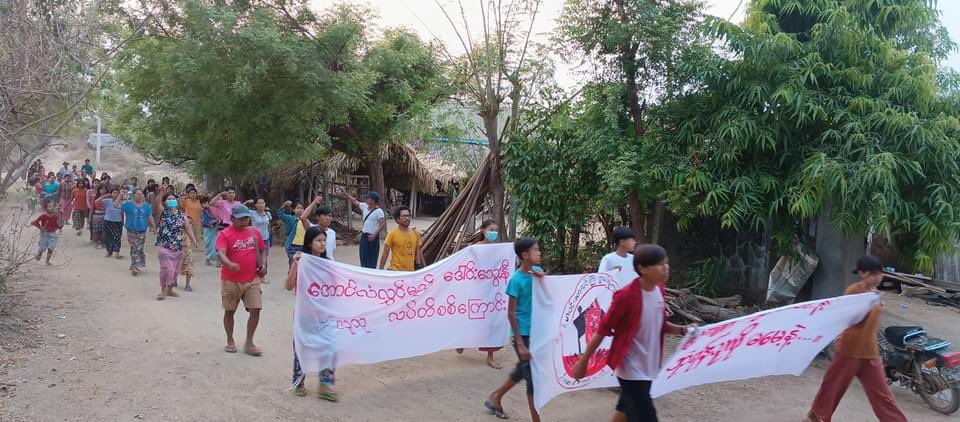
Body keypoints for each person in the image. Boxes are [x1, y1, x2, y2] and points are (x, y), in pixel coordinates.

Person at [573, 244, 692, 422]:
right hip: (631, 369)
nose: (665, 267)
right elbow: (602, 330)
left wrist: (682, 330)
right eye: (659, 264)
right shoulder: (626, 297)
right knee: (647, 416)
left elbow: (659, 323)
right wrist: (583, 362)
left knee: (625, 410)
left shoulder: (659, 289)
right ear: (642, 268)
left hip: (650, 365)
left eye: (666, 263)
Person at [806, 256, 907, 422]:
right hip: (849, 351)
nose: (877, 277)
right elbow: (849, 320)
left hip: (870, 353)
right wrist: (870, 304)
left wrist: (875, 302)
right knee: (832, 388)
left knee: (883, 396)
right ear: (862, 273)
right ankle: (816, 416)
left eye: (879, 274)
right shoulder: (853, 292)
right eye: (873, 274)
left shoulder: (875, 295)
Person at [485, 237, 546, 421]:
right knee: (531, 378)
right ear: (525, 255)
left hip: (537, 330)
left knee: (523, 368)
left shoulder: (536, 272)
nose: (539, 253)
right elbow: (511, 313)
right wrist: (519, 343)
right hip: (523, 333)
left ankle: (496, 397)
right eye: (536, 250)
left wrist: (543, 277)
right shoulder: (516, 280)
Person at [286, 226, 338, 402]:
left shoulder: (328, 264)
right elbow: (288, 285)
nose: (323, 244)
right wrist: (294, 264)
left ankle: (325, 386)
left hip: (324, 315)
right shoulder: (301, 261)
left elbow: (335, 288)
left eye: (324, 240)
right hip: (305, 315)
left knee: (329, 348)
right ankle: (299, 382)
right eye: (319, 240)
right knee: (302, 348)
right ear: (310, 242)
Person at [216, 204, 267, 356]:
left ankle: (249, 341)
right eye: (241, 219)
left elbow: (263, 250)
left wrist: (263, 264)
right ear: (232, 219)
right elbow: (221, 252)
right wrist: (229, 263)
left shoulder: (254, 232)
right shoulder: (224, 234)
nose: (244, 221)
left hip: (252, 278)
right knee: (230, 311)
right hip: (231, 279)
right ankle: (230, 340)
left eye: (246, 218)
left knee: (256, 309)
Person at [457, 219, 504, 368]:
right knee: (473, 318)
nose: (493, 233)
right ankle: (462, 340)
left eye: (495, 230)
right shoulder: (475, 248)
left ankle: (490, 356)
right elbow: (468, 267)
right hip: (477, 289)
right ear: (483, 231)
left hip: (493, 290)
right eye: (491, 229)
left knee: (491, 322)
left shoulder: (499, 249)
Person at [155, 194, 198, 299]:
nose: (171, 200)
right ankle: (163, 290)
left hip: (178, 246)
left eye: (173, 198)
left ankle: (170, 290)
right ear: (165, 202)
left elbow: (187, 228)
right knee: (167, 268)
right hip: (164, 245)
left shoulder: (182, 215)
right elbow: (157, 204)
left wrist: (194, 240)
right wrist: (162, 192)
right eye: (169, 199)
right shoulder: (163, 212)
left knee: (174, 270)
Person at [118, 189, 156, 276]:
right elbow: (116, 205)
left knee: (139, 248)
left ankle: (135, 264)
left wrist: (153, 227)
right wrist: (120, 195)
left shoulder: (146, 206)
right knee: (135, 248)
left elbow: (150, 217)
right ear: (133, 195)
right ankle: (134, 266)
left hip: (142, 231)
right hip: (131, 231)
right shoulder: (128, 205)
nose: (139, 196)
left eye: (141, 194)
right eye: (137, 194)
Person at [343, 191, 385, 268]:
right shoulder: (365, 206)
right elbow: (355, 201)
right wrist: (347, 195)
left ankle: (371, 271)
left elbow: (382, 225)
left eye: (368, 198)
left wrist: (374, 234)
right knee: (363, 254)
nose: (366, 199)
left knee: (372, 255)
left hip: (373, 236)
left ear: (373, 200)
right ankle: (364, 269)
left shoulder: (379, 212)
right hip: (364, 235)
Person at [379, 206, 423, 271]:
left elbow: (418, 252)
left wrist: (418, 265)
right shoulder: (392, 234)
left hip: (410, 272)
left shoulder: (416, 234)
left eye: (408, 216)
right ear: (397, 219)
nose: (407, 218)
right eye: (404, 216)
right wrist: (380, 270)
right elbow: (385, 253)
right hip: (395, 271)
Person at [178, 187, 202, 286]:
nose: (193, 194)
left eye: (194, 193)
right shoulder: (186, 201)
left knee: (193, 240)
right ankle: (174, 280)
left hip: (196, 222)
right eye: (191, 193)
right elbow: (178, 202)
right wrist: (184, 196)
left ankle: (187, 284)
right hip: (186, 222)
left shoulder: (198, 202)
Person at [301, 196, 336, 261]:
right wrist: (314, 202)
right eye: (325, 215)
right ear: (317, 217)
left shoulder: (332, 233)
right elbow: (303, 217)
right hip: (315, 263)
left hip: (329, 264)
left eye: (329, 216)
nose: (328, 218)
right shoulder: (312, 229)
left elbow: (332, 252)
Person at [278, 200, 306, 266]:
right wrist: (284, 205)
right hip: (292, 246)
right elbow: (280, 214)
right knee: (293, 265)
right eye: (298, 208)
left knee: (302, 266)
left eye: (302, 208)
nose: (300, 210)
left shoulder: (306, 221)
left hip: (304, 246)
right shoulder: (290, 218)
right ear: (294, 210)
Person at [99, 188, 124, 258]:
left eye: (117, 193)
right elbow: (97, 201)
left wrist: (123, 221)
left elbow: (122, 213)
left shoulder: (121, 202)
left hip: (117, 222)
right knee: (107, 238)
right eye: (114, 192)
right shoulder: (107, 201)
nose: (115, 194)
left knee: (117, 237)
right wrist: (105, 196)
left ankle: (117, 252)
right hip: (108, 221)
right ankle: (109, 252)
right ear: (111, 193)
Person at [200, 195, 219, 266]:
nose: (206, 205)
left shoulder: (211, 209)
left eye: (207, 203)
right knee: (208, 244)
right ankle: (208, 259)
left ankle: (217, 260)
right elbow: (203, 221)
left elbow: (215, 216)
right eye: (204, 203)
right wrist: (211, 222)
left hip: (214, 229)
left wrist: (215, 221)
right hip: (207, 229)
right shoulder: (202, 211)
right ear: (201, 204)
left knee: (215, 244)